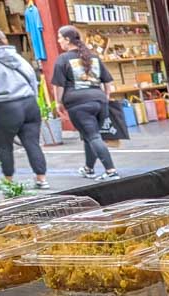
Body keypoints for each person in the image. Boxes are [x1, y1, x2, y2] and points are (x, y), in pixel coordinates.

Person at [0, 28, 48, 189]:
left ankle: (9, 180)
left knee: (4, 146)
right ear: (5, 40)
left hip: (4, 107)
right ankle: (41, 178)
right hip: (29, 103)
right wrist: (33, 100)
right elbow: (32, 81)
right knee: (32, 143)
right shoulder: (20, 59)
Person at [51, 24, 119, 180]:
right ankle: (89, 168)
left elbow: (58, 85)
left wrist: (58, 103)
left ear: (67, 40)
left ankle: (111, 171)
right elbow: (107, 81)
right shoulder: (93, 57)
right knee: (89, 134)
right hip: (99, 101)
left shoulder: (63, 59)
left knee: (93, 136)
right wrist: (106, 97)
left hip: (78, 103)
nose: (59, 41)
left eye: (60, 38)